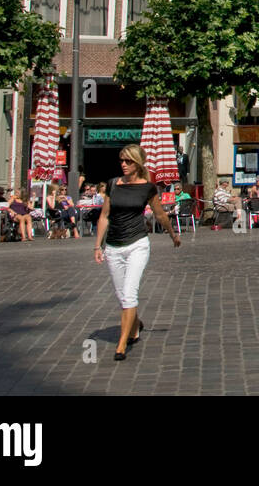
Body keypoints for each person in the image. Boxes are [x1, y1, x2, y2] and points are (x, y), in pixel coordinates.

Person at [94, 144, 181, 361]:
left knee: (130, 293)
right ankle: (136, 324)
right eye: (121, 160)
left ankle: (122, 344)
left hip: (137, 244)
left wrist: (173, 235)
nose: (123, 165)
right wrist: (98, 246)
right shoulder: (113, 184)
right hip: (114, 246)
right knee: (122, 295)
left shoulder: (147, 188)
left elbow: (160, 215)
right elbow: (104, 216)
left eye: (128, 161)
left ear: (138, 163)